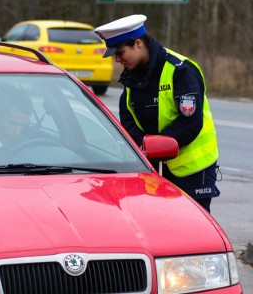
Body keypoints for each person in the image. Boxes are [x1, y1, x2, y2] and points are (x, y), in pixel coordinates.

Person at [94, 14, 220, 212]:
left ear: (137, 43)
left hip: (193, 171)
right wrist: (144, 148)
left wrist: (156, 147)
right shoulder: (131, 77)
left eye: (120, 52)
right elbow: (128, 123)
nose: (117, 60)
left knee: (192, 231)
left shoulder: (180, 70)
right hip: (154, 170)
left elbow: (190, 122)